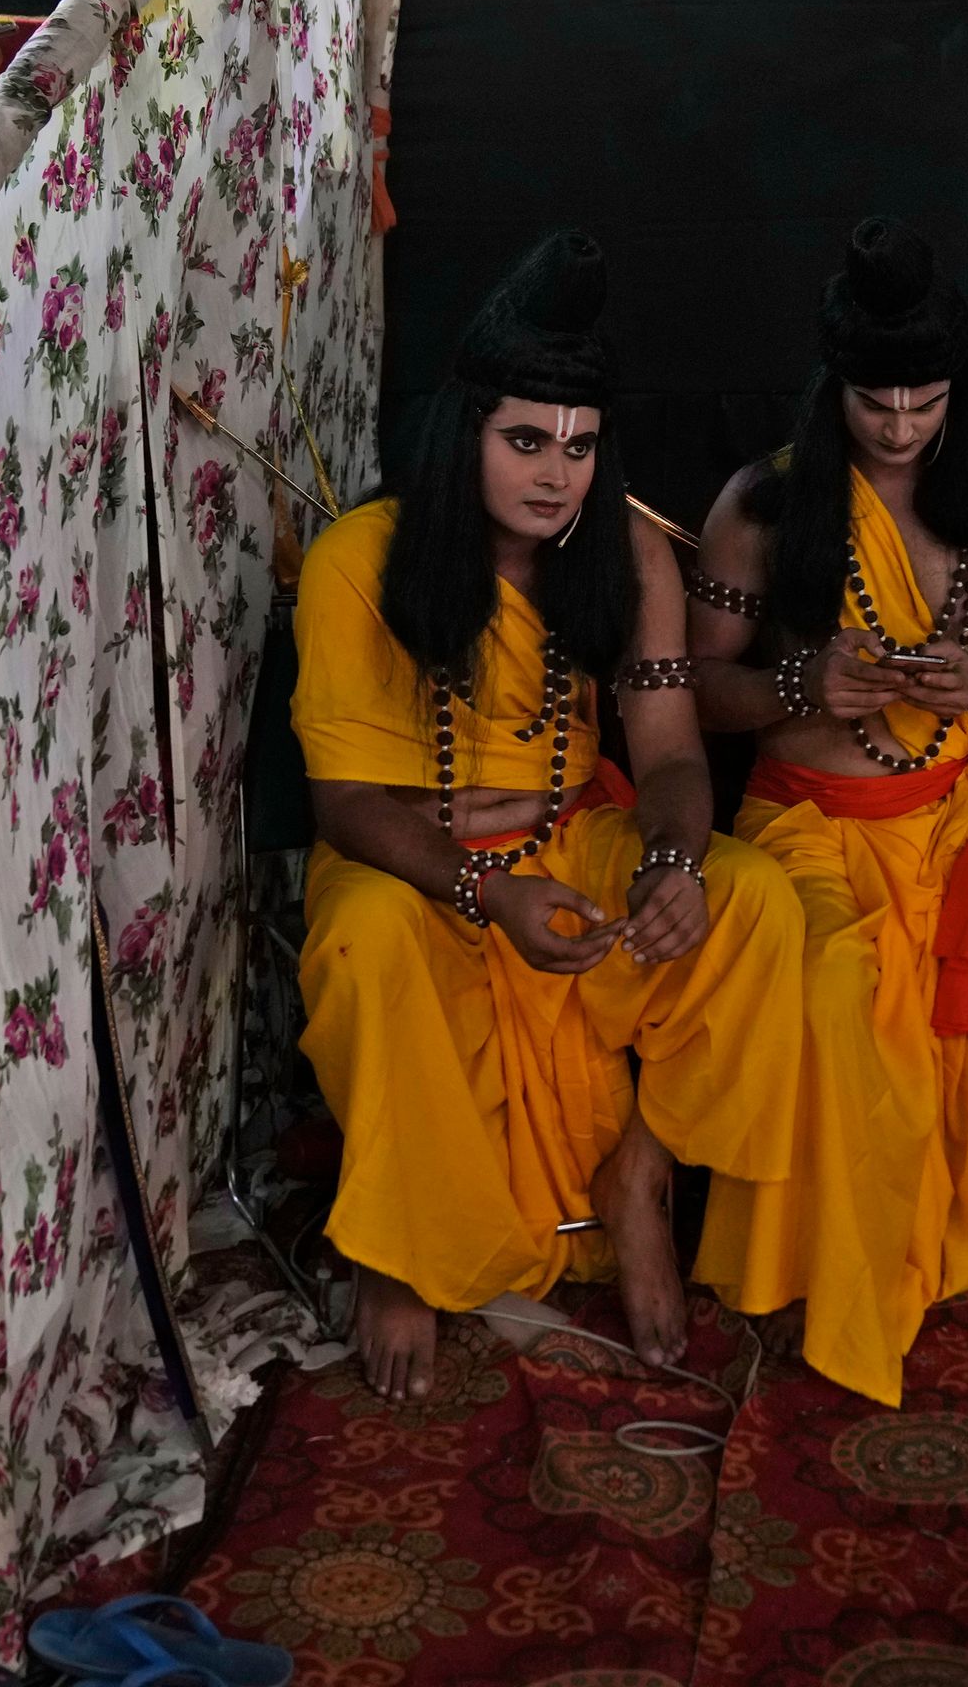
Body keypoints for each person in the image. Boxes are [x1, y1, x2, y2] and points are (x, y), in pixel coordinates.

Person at [292, 231, 803, 1404]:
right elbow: (347, 804)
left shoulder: (624, 553)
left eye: (578, 446)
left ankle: (641, 1176)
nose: (555, 472)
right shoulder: (360, 560)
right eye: (525, 439)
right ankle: (391, 1248)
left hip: (569, 843)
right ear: (461, 430)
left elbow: (672, 754)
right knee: (364, 942)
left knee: (756, 900)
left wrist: (674, 859)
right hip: (419, 872)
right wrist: (487, 889)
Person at [686, 219, 968, 1403]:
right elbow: (690, 688)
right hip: (812, 830)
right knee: (844, 1003)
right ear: (833, 383)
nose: (897, 425)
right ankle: (813, 1267)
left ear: (958, 388)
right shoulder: (764, 503)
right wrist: (804, 683)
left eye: (922, 401)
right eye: (874, 400)